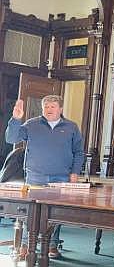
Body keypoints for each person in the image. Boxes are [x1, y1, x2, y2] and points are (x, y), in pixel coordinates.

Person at [5, 95, 84, 260]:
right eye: (46, 106)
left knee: (56, 214)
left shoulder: (71, 127)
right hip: (35, 176)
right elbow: (11, 138)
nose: (49, 109)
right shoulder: (32, 124)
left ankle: (52, 245)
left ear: (60, 109)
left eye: (53, 106)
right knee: (31, 214)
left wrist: (75, 173)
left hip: (61, 177)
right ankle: (26, 246)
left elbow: (78, 152)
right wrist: (15, 119)